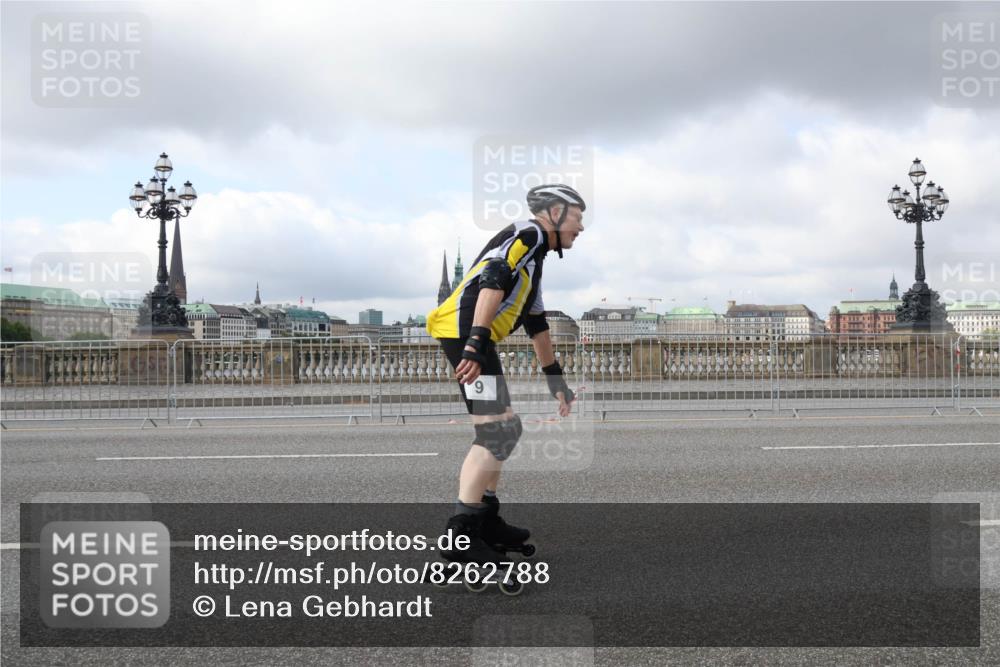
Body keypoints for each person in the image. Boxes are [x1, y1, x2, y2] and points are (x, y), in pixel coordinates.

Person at [426, 184, 586, 564]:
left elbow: (536, 321)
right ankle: (462, 537)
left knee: (504, 429)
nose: (581, 227)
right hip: (463, 330)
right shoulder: (528, 234)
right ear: (555, 213)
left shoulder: (536, 258)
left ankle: (485, 519)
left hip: (470, 333)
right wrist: (476, 342)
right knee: (495, 430)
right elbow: (493, 277)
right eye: (578, 217)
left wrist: (555, 380)